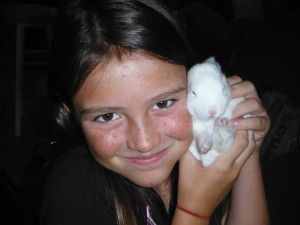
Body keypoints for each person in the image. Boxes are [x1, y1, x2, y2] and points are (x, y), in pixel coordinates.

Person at [41, 0, 270, 224]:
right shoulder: (73, 187)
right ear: (73, 116)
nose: (144, 143)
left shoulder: (201, 149)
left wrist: (246, 147)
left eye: (163, 104)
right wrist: (194, 211)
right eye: (107, 116)